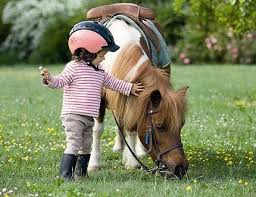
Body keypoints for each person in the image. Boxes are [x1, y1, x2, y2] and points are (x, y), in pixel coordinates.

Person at [40, 21, 144, 180]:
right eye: (102, 55)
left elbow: (114, 83)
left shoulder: (100, 72)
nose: (103, 59)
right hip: (73, 116)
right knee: (74, 144)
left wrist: (130, 88)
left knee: (86, 146)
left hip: (89, 118)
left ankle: (82, 173)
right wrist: (49, 80)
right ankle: (65, 175)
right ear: (89, 53)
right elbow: (59, 82)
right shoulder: (73, 67)